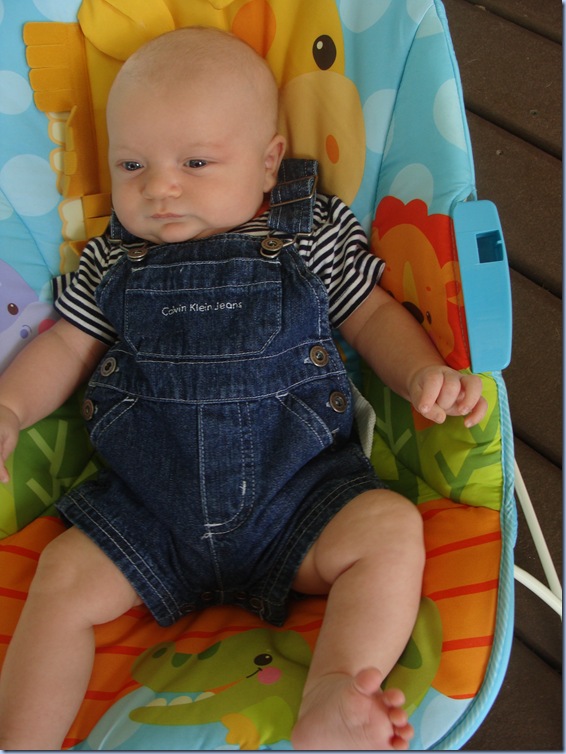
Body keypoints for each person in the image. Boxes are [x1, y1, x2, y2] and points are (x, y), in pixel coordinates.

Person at [0, 27, 487, 751]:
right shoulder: (113, 257)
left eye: (196, 162)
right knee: (61, 577)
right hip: (146, 512)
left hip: (301, 499)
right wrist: (9, 407)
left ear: (268, 162)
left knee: (389, 530)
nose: (159, 187)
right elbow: (67, 347)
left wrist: (420, 373)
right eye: (131, 164)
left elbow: (373, 314)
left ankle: (334, 690)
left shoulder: (310, 231)